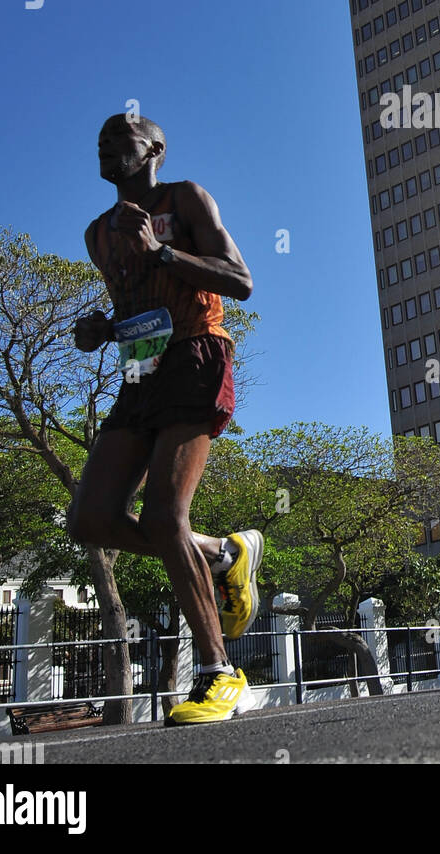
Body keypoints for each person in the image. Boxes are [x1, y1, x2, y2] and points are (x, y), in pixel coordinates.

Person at [68, 114, 262, 724]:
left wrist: (162, 248)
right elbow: (135, 309)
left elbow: (241, 280)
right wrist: (100, 329)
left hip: (196, 354)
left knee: (162, 514)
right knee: (91, 518)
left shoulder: (185, 198)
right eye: (98, 141)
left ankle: (219, 673)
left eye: (118, 138)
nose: (105, 146)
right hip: (139, 369)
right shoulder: (97, 233)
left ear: (154, 148)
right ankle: (222, 555)